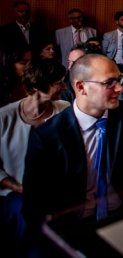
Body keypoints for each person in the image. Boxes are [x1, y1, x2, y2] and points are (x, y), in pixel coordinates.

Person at [23, 55, 123, 231]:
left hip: (122, 211)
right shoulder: (47, 136)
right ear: (81, 87)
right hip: (72, 223)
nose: (119, 88)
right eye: (109, 83)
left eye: (118, 80)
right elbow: (35, 203)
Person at [0, 58, 69, 248]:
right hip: (15, 194)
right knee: (24, 215)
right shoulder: (4, 116)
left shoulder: (66, 110)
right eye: (58, 83)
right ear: (39, 86)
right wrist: (19, 187)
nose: (64, 87)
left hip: (57, 192)